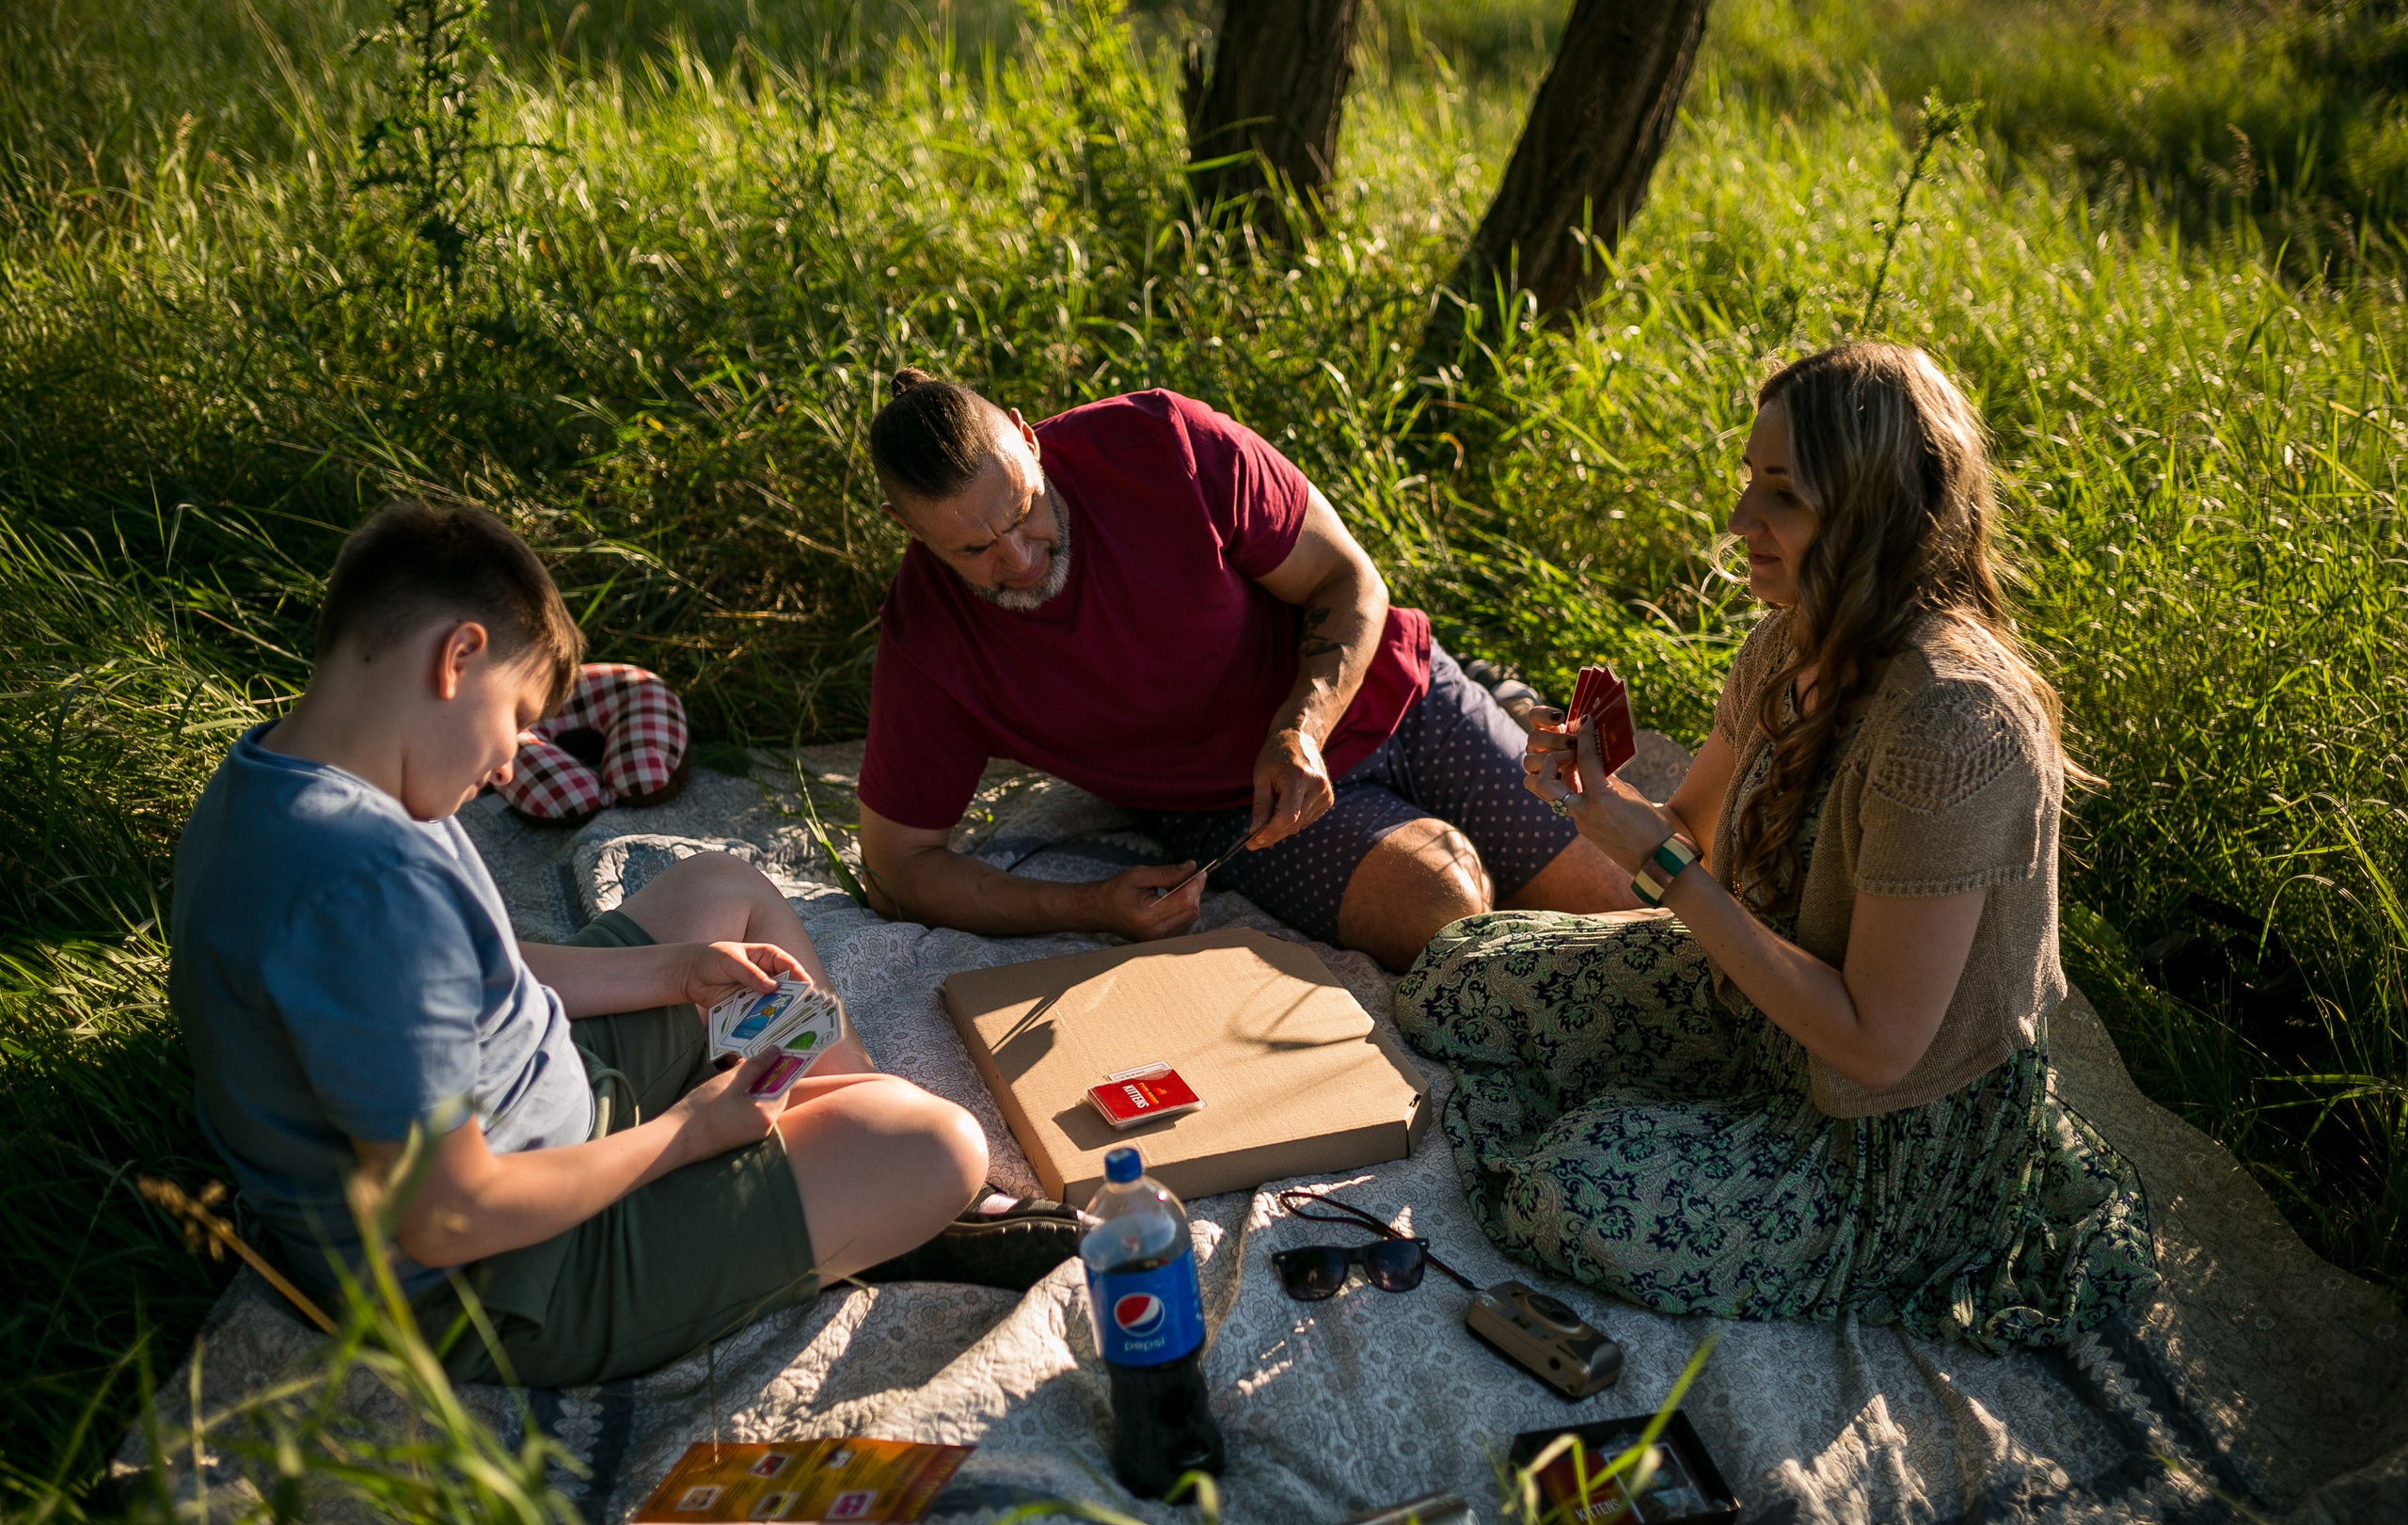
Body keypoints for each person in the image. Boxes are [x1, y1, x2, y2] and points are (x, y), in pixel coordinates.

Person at [168, 503, 1074, 1390]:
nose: (508, 764)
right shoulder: (363, 887)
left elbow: (476, 973)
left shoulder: (289, 778)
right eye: (517, 717)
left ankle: (841, 1152)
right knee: (942, 1146)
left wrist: (676, 971)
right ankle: (871, 1194)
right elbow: (448, 1218)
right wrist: (688, 1134)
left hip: (550, 1106)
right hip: (517, 1270)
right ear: (458, 658)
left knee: (726, 892)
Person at [1397, 342, 2160, 1349]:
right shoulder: (1788, 642)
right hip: (1756, 1006)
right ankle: (1694, 1109)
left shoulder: (1953, 727)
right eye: (1747, 482)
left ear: (1874, 515)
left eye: (1782, 496)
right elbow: (1691, 836)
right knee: (1453, 978)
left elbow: (1875, 1046)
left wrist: (1660, 869)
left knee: (1573, 1189)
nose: (1737, 523)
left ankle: (1708, 1146)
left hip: (1886, 1136)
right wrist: (1600, 802)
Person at [852, 370, 1639, 970]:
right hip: (1241, 804)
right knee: (1452, 916)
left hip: (1395, 691)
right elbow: (898, 867)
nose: (1018, 559)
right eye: (974, 549)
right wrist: (1090, 904)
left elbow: (1349, 580)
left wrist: (1300, 727)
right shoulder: (927, 640)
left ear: (1028, 437)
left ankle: (1491, 694)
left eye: (1024, 509)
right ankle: (1501, 713)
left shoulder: (1162, 444)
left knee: (1629, 904)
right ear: (907, 531)